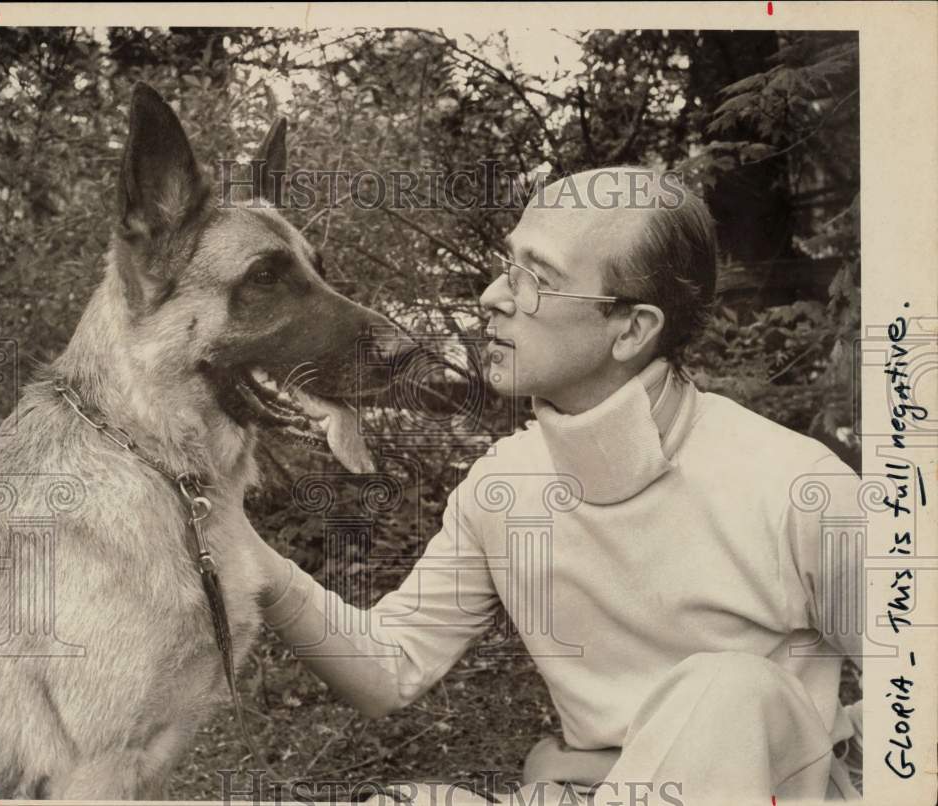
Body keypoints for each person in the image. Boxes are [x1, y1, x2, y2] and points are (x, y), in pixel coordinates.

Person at [258, 168, 863, 804]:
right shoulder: (503, 486)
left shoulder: (797, 485)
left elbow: (922, 687)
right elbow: (389, 665)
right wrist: (256, 566)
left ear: (631, 329)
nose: (493, 295)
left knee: (732, 688)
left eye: (537, 279)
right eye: (506, 265)